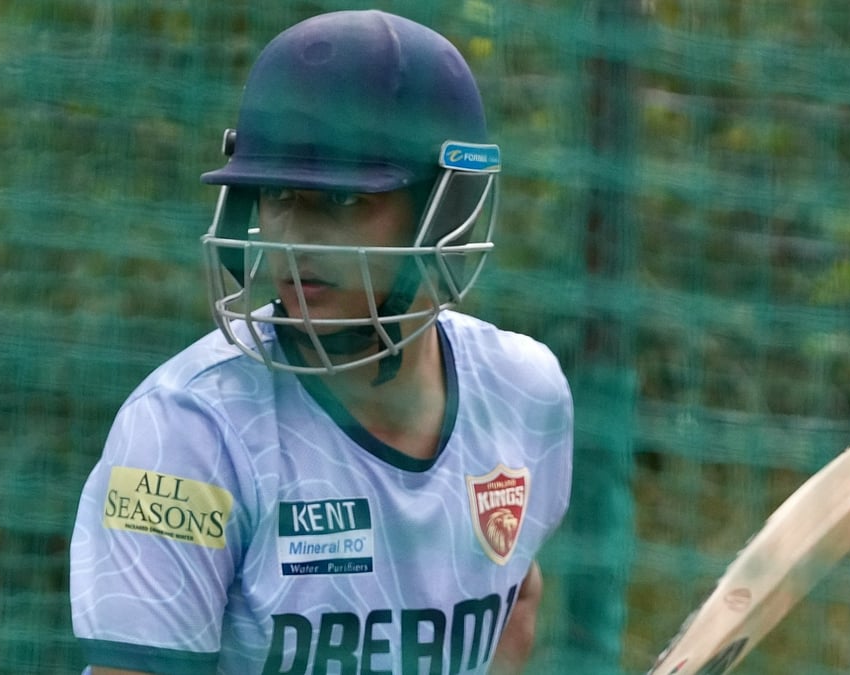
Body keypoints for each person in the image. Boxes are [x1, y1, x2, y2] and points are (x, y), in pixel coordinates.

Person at [70, 9, 572, 675]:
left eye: (340, 204)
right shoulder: (184, 434)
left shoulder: (523, 391)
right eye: (277, 195)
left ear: (445, 209)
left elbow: (516, 595)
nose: (293, 237)